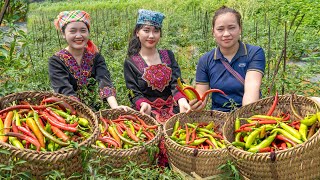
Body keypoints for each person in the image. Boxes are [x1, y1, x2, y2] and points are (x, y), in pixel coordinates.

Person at [123, 9, 190, 167]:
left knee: (184, 136)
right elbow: (133, 91)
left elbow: (176, 82)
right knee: (154, 139)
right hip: (147, 109)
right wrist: (142, 103)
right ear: (137, 32)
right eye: (146, 30)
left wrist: (181, 99)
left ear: (160, 33)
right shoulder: (131, 62)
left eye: (156, 31)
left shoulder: (168, 55)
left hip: (172, 106)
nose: (151, 36)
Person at [190, 6, 266, 112]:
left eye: (231, 28)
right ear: (213, 32)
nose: (226, 34)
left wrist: (245, 119)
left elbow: (251, 89)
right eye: (220, 29)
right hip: (218, 117)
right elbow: (201, 96)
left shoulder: (254, 53)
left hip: (248, 112)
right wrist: (196, 105)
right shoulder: (205, 60)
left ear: (240, 28)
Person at [49, 10, 128, 110]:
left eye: (83, 30)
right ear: (63, 34)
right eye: (73, 31)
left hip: (95, 107)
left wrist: (115, 106)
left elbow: (104, 80)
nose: (78, 35)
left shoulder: (96, 57)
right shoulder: (56, 61)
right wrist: (83, 112)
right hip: (69, 109)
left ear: (88, 32)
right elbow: (64, 90)